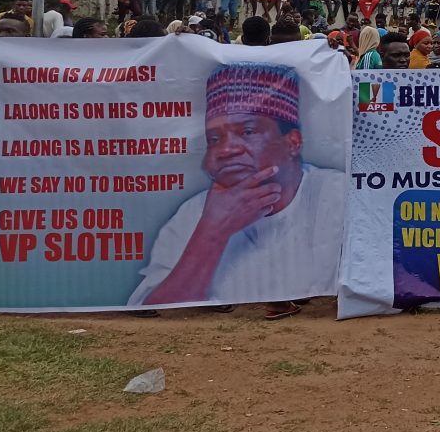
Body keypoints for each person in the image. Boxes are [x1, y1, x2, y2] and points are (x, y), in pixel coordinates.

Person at [129, 63, 347, 314]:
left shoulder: (337, 195)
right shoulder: (193, 214)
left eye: (248, 131)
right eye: (214, 139)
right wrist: (211, 234)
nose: (226, 150)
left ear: (293, 142)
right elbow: (150, 307)